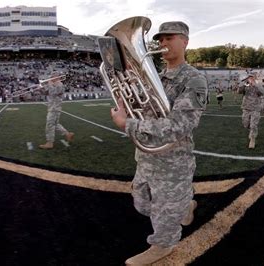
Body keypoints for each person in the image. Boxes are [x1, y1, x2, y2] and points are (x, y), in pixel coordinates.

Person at [110, 21, 207, 265]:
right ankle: (184, 204)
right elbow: (144, 109)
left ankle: (162, 245)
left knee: (163, 211)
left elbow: (179, 126)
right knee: (142, 204)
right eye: (160, 39)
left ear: (184, 41)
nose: (163, 43)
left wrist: (127, 125)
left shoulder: (194, 80)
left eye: (169, 38)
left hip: (173, 161)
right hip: (146, 155)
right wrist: (127, 105)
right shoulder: (156, 76)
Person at [39, 73, 75, 149]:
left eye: (52, 76)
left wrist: (49, 84)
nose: (50, 78)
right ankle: (68, 134)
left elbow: (53, 93)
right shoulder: (53, 84)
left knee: (49, 124)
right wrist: (42, 87)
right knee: (55, 124)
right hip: (52, 107)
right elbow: (47, 93)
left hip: (55, 108)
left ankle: (50, 142)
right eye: (50, 77)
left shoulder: (59, 84)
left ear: (57, 77)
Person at [238, 73, 264, 149]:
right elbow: (239, 92)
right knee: (245, 124)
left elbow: (262, 92)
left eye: (251, 77)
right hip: (246, 107)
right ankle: (252, 131)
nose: (250, 78)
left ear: (254, 77)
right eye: (249, 77)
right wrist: (243, 83)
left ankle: (252, 140)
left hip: (256, 108)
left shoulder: (258, 84)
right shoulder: (245, 85)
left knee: (253, 125)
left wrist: (255, 84)